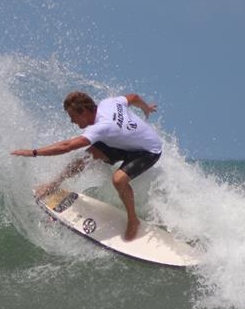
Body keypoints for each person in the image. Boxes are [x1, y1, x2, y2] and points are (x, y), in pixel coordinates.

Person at [11, 91, 163, 241]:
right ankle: (54, 184)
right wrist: (145, 107)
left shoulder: (102, 127)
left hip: (149, 151)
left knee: (118, 180)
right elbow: (134, 97)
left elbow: (67, 146)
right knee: (86, 156)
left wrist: (34, 152)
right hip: (125, 144)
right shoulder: (107, 103)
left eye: (73, 117)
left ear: (83, 111)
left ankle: (133, 219)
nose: (72, 121)